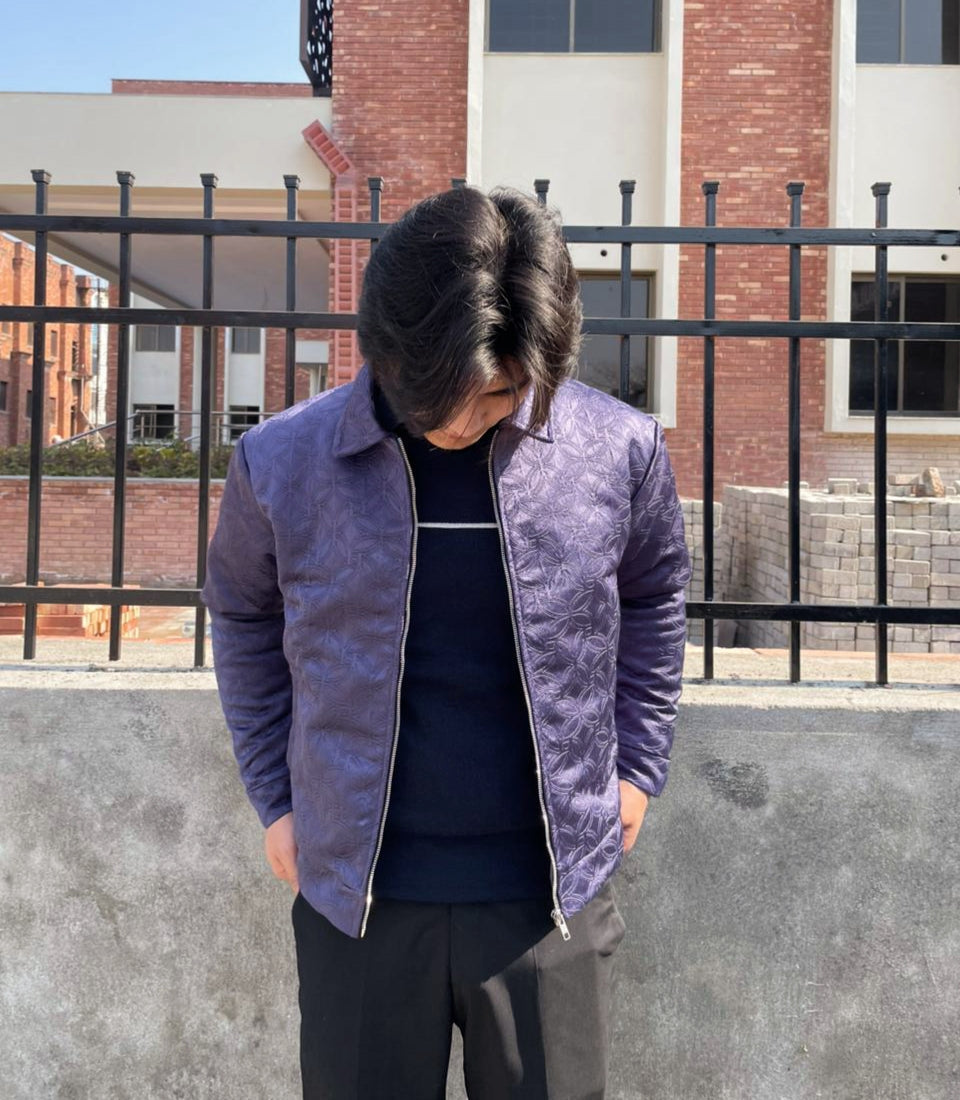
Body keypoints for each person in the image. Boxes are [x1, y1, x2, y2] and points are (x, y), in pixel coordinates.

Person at [202, 185, 691, 1100]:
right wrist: (274, 795)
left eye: (499, 394)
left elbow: (655, 595)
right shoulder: (283, 460)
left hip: (550, 894)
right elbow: (241, 613)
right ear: (387, 351)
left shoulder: (618, 450)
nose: (465, 421)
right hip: (358, 894)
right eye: (439, 397)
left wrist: (637, 767)